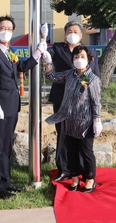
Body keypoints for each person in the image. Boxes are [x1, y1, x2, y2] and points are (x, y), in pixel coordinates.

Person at [0, 15, 45, 199]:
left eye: (10, 29)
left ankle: (5, 181)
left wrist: (39, 51)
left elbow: (22, 67)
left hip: (11, 106)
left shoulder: (9, 51)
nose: (6, 31)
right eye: (3, 28)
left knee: (7, 146)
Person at [43, 45, 102, 193]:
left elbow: (96, 101)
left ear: (89, 60)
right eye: (76, 57)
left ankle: (90, 179)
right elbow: (53, 77)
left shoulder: (92, 79)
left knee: (86, 151)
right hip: (69, 121)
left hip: (85, 122)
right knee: (71, 151)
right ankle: (75, 177)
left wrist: (97, 119)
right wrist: (48, 63)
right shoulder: (70, 74)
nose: (79, 59)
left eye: (82, 57)